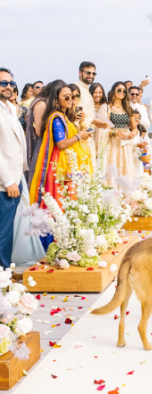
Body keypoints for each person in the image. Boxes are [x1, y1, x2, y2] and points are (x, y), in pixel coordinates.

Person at [30, 83, 93, 207]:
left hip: (67, 161)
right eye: (66, 97)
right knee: (63, 198)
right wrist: (80, 137)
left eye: (73, 97)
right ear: (57, 100)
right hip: (61, 164)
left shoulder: (64, 116)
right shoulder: (57, 118)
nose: (71, 100)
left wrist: (81, 133)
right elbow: (61, 144)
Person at [0, 68, 29, 268]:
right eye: (3, 83)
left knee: (8, 231)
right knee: (2, 233)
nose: (8, 86)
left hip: (16, 178)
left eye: (11, 83)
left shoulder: (10, 108)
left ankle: (4, 272)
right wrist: (8, 180)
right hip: (5, 182)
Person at [98, 82, 138, 181]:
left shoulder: (128, 108)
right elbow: (103, 129)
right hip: (112, 143)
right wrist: (116, 133)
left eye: (124, 91)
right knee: (112, 166)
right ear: (113, 91)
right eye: (119, 90)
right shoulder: (106, 108)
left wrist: (133, 133)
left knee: (125, 167)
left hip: (126, 143)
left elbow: (134, 128)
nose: (122, 92)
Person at [75, 61, 108, 157]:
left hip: (91, 135)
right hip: (80, 135)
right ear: (80, 73)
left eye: (93, 73)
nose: (91, 75)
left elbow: (87, 114)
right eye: (88, 73)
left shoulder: (86, 90)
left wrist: (95, 122)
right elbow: (75, 112)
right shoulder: (77, 88)